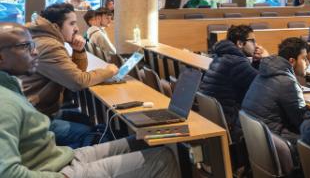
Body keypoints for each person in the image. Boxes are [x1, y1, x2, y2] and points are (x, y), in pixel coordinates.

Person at [0, 22, 180, 177]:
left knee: (141, 140)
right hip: (59, 171)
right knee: (164, 158)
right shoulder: (5, 104)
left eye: (33, 44)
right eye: (25, 46)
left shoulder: (10, 86)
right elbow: (7, 173)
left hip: (60, 157)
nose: (35, 51)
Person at [23, 3, 118, 148]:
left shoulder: (44, 38)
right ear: (55, 27)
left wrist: (78, 52)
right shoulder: (49, 45)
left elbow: (73, 75)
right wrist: (109, 71)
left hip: (39, 110)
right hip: (33, 118)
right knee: (89, 132)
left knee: (90, 120)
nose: (77, 28)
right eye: (72, 23)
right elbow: (77, 81)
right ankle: (78, 166)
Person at [200, 25, 267, 142]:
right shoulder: (237, 62)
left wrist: (256, 63)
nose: (256, 45)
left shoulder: (222, 56)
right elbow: (263, 85)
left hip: (215, 118)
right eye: (252, 41)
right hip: (231, 121)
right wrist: (267, 59)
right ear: (240, 43)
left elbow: (249, 78)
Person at [241, 37, 309, 140]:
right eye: (304, 58)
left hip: (254, 137)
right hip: (274, 139)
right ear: (292, 61)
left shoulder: (264, 72)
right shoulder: (287, 83)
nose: (307, 63)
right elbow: (302, 122)